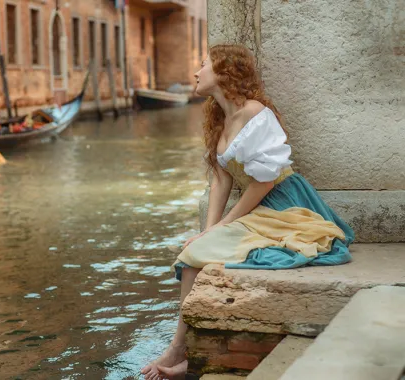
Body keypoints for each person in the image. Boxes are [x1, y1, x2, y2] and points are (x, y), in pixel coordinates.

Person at [141, 44, 354, 380]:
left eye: (203, 64)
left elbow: (263, 184)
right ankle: (183, 351)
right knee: (194, 251)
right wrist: (209, 229)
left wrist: (224, 224)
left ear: (225, 72)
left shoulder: (255, 113)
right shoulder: (219, 118)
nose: (197, 72)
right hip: (258, 205)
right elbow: (220, 183)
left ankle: (179, 351)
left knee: (195, 255)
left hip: (285, 203)